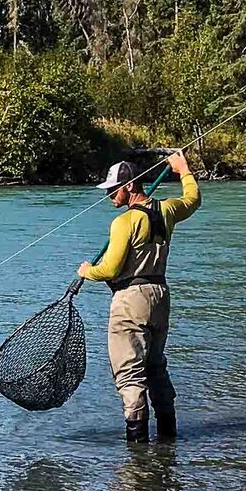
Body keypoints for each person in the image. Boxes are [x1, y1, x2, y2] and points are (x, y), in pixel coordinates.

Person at [78, 150, 199, 442]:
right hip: (160, 297)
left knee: (129, 375)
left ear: (130, 186)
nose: (109, 195)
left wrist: (86, 271)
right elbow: (193, 199)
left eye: (113, 189)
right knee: (155, 366)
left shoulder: (123, 222)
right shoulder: (167, 210)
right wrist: (182, 169)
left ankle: (138, 451)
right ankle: (168, 437)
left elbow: (110, 268)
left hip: (130, 302)